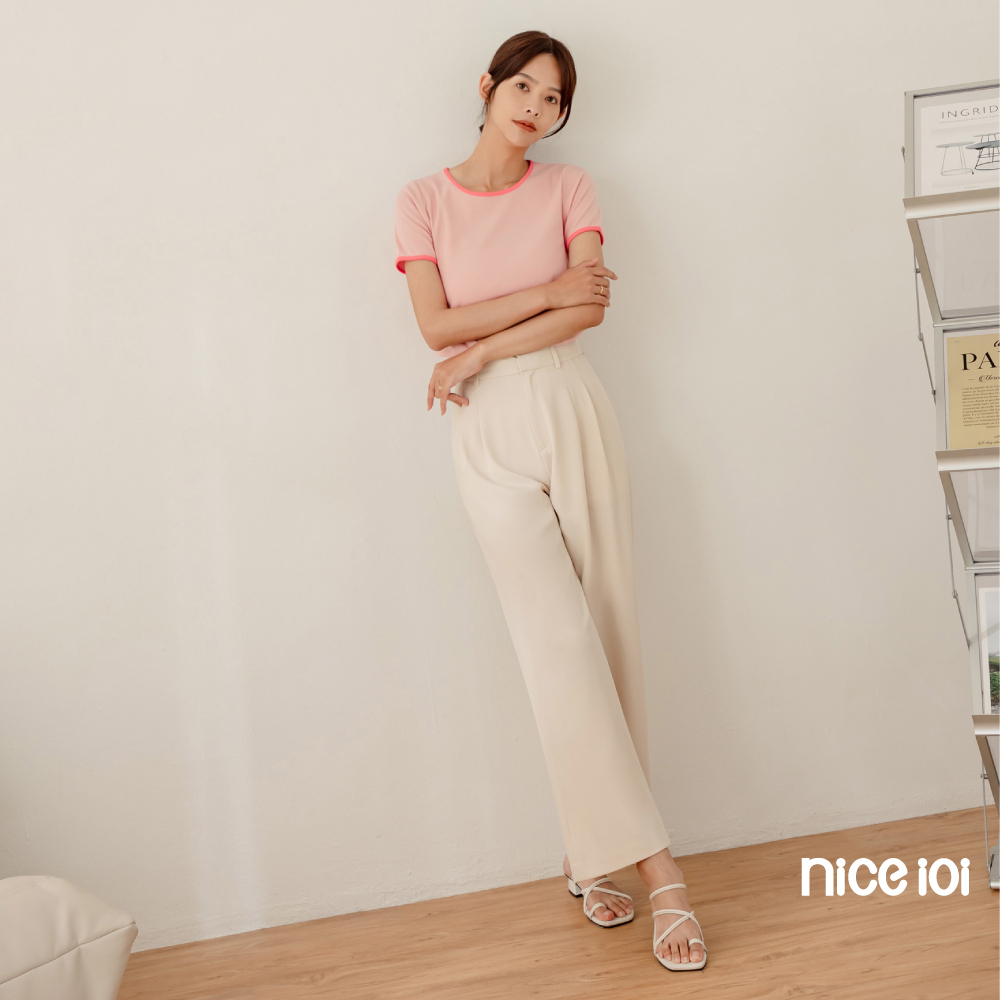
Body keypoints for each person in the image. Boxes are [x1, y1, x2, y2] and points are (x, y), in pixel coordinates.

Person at [393, 30, 708, 972]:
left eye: (554, 98)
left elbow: (590, 307)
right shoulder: (422, 201)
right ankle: (662, 874)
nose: (536, 107)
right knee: (557, 643)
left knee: (606, 631)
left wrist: (486, 348)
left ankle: (590, 854)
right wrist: (543, 294)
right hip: (485, 433)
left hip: (569, 402)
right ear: (487, 87)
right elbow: (434, 325)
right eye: (523, 86)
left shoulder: (571, 188)